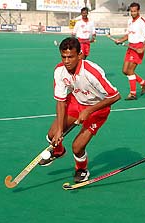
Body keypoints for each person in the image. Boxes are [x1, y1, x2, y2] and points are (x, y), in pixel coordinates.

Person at [39, 37, 121, 183]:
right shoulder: (59, 71)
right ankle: (58, 151)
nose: (66, 61)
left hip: (98, 108)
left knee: (77, 147)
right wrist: (59, 131)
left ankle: (81, 170)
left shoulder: (92, 72)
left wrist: (89, 111)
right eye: (63, 57)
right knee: (52, 134)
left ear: (80, 55)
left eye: (70, 57)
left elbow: (115, 96)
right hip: (76, 101)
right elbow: (61, 101)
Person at [114, 2, 145, 100]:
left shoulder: (141, 22)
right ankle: (143, 83)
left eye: (135, 11)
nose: (133, 13)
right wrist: (120, 40)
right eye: (131, 11)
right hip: (130, 47)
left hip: (138, 47)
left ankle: (133, 94)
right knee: (125, 71)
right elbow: (128, 35)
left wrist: (143, 48)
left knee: (130, 70)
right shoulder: (130, 20)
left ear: (138, 11)